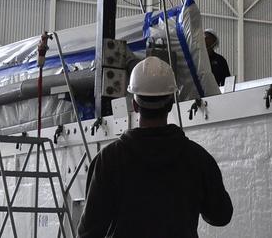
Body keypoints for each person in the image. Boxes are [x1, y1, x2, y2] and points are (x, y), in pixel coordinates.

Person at [77, 56, 233, 238]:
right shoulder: (197, 158)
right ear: (171, 104)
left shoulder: (109, 160)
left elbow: (89, 233)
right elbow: (221, 216)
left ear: (135, 105)